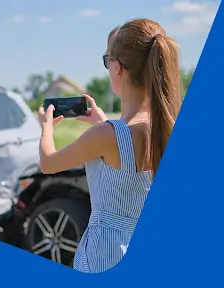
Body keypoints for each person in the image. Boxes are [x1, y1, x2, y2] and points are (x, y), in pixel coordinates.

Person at [38, 18, 182, 273]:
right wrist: (104, 123)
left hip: (105, 256)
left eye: (107, 61)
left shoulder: (107, 136)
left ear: (117, 68)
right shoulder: (166, 127)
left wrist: (46, 127)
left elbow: (49, 163)